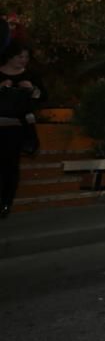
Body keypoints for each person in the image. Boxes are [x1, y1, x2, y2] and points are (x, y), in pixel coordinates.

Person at [0, 40, 45, 219]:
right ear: (10, 56)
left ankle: (5, 203)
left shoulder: (31, 75)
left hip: (16, 128)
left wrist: (32, 89)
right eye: (20, 56)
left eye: (26, 57)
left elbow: (43, 96)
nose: (23, 60)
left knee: (10, 166)